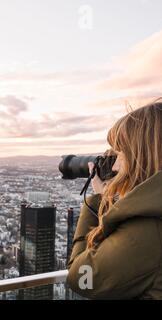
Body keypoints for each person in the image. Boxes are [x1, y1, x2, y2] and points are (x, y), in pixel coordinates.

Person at [67, 99, 162, 299]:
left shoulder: (148, 231)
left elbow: (81, 277)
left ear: (143, 157)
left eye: (121, 154)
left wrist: (99, 201)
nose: (116, 167)